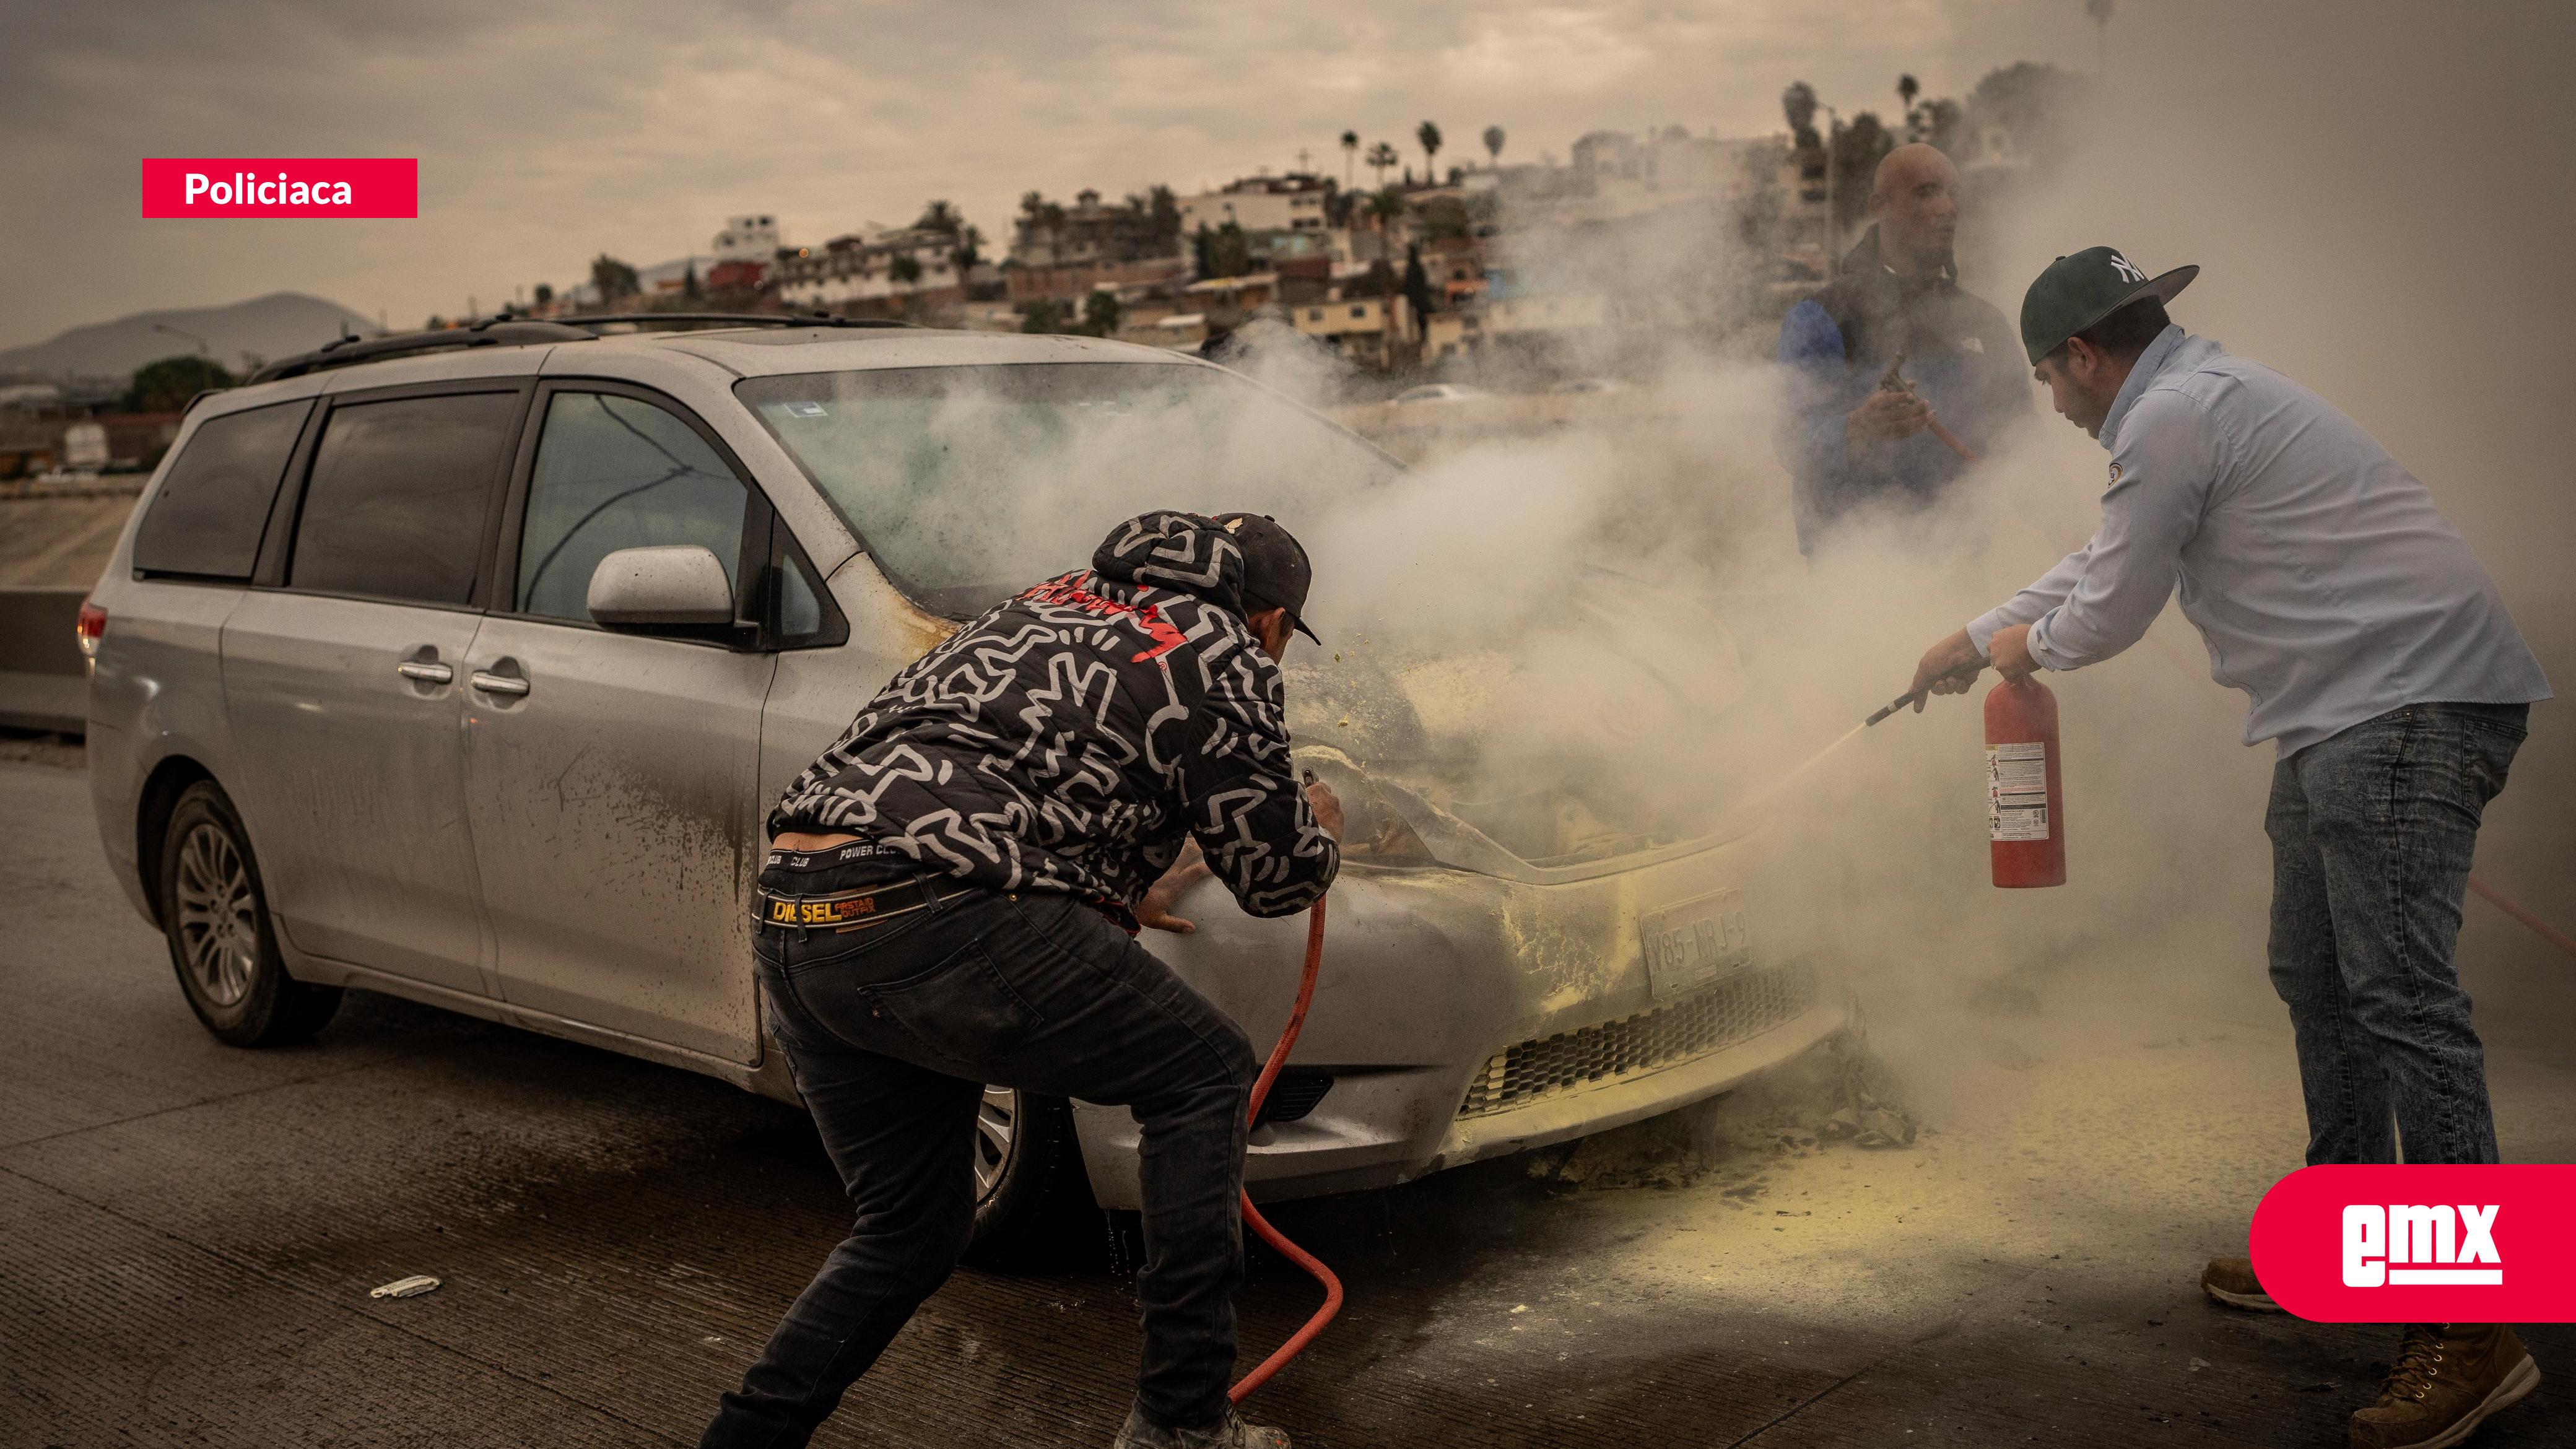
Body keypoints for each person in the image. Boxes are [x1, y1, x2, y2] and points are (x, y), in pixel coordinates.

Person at [1907, 247, 2551, 1449]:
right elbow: (2103, 560)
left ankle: (2478, 1325)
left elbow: (2111, 605)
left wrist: (2018, 655)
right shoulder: (2192, 403)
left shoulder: (2171, 415)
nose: (2053, 402)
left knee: (2405, 1002)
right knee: (2317, 976)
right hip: (2348, 714)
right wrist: (1976, 630)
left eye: (2049, 378)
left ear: (2083, 357)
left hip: (2403, 704)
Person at [699, 510, 1344, 1449]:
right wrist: (1320, 825)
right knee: (1204, 1073)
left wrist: (1125, 879)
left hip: (801, 914)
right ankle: (1182, 1424)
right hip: (941, 914)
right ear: (1275, 622)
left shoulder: (1037, 605)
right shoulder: (1222, 646)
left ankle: (742, 1441)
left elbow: (998, 766)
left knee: (909, 1233)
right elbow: (1279, 878)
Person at [1774, 142, 2030, 555]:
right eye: (1927, 192)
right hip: (1857, 572)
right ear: (1881, 206)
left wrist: (2072, 532)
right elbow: (1789, 442)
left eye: (1953, 194)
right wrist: (1857, 427)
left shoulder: (1984, 323)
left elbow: (2024, 439)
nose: (1947, 207)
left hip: (1965, 563)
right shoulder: (1821, 318)